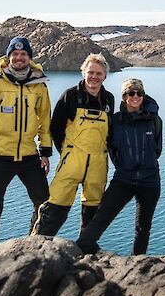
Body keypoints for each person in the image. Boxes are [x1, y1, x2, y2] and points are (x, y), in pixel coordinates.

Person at [0, 36, 52, 249]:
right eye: (14, 54)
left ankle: (34, 242)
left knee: (44, 202)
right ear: (8, 57)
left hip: (29, 155)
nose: (19, 58)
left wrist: (45, 152)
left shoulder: (39, 85)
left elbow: (45, 120)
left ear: (29, 58)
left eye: (23, 54)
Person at [31, 53, 114, 236]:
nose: (94, 77)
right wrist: (66, 152)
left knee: (93, 208)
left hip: (98, 164)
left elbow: (110, 133)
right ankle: (37, 244)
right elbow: (55, 128)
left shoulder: (108, 99)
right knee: (56, 204)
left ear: (105, 76)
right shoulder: (70, 96)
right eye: (90, 72)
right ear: (83, 72)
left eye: (99, 73)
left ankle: (87, 247)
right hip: (72, 161)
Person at [76, 78, 162, 255]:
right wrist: (125, 166)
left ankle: (137, 263)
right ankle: (81, 249)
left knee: (143, 227)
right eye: (131, 93)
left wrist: (145, 164)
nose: (135, 96)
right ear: (124, 96)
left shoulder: (154, 120)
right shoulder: (115, 121)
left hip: (150, 180)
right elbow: (111, 148)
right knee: (102, 217)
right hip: (124, 179)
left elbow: (157, 147)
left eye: (139, 93)